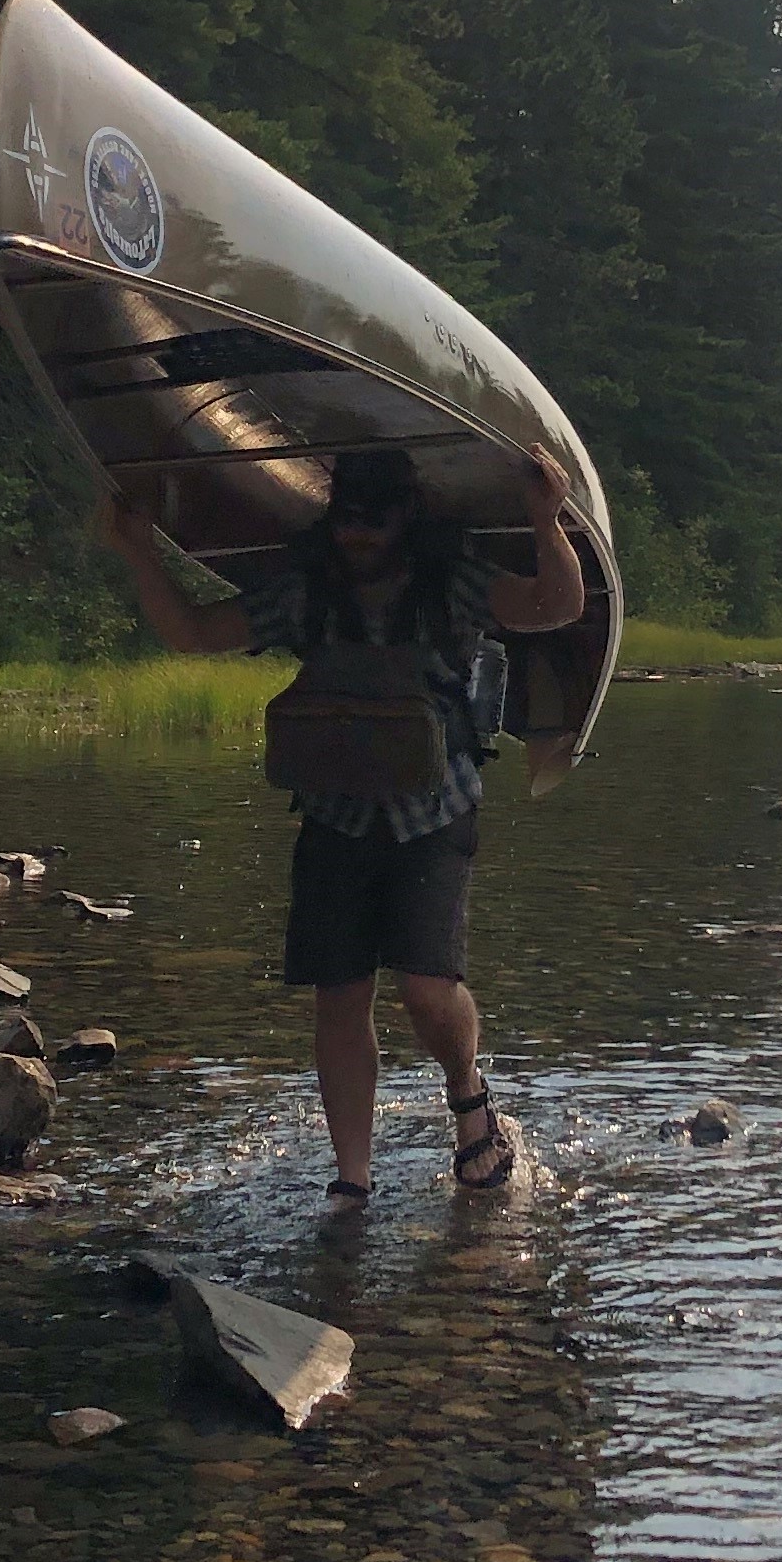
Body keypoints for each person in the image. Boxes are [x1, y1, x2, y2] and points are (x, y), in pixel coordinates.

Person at [98, 438, 586, 1200]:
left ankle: (467, 1094)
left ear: (405, 520)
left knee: (427, 989)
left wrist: (546, 520)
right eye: (347, 520)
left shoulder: (451, 585)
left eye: (374, 522)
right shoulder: (307, 590)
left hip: (436, 811)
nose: (358, 535)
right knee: (341, 994)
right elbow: (194, 633)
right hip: (335, 818)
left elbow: (556, 606)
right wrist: (135, 551)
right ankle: (351, 1182)